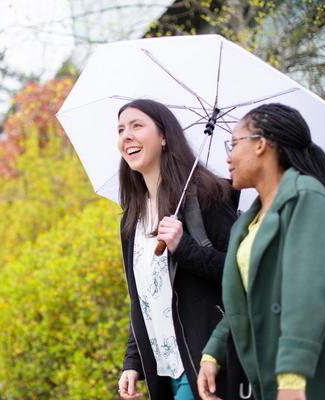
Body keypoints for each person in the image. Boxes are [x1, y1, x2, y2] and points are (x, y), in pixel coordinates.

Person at [197, 103, 325, 400]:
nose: (228, 157)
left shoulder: (307, 197)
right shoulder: (247, 223)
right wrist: (213, 353)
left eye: (234, 143)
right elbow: (248, 301)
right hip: (270, 376)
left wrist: (292, 376)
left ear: (261, 144)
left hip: (314, 374)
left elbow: (307, 291)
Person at [116, 99, 240, 400]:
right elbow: (143, 298)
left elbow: (240, 273)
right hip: (163, 369)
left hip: (205, 359)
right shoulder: (132, 219)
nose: (126, 136)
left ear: (164, 136)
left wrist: (184, 248)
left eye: (137, 126)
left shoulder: (208, 196)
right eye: (120, 130)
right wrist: (133, 362)